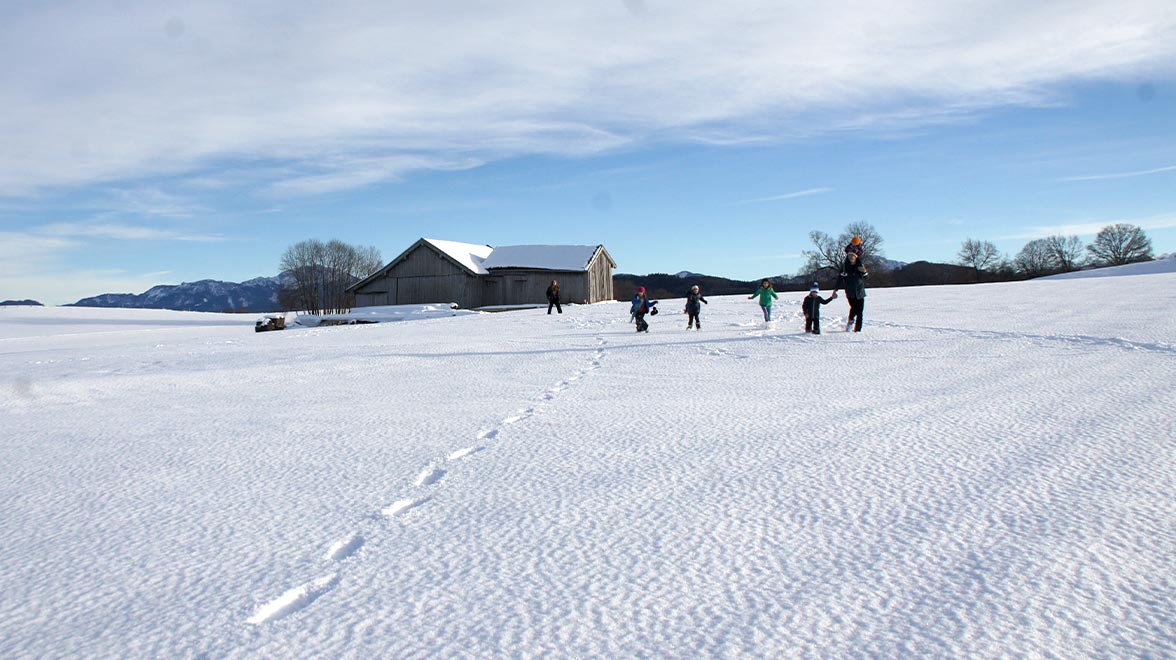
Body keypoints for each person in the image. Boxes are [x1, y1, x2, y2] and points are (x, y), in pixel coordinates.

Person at [833, 252, 868, 332]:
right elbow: (839, 279)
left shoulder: (860, 266)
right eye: (849, 256)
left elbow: (866, 277)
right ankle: (850, 322)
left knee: (860, 312)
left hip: (860, 292)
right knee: (854, 308)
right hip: (850, 292)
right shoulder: (845, 268)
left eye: (853, 256)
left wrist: (864, 272)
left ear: (856, 257)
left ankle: (858, 330)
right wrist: (836, 290)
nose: (851, 258)